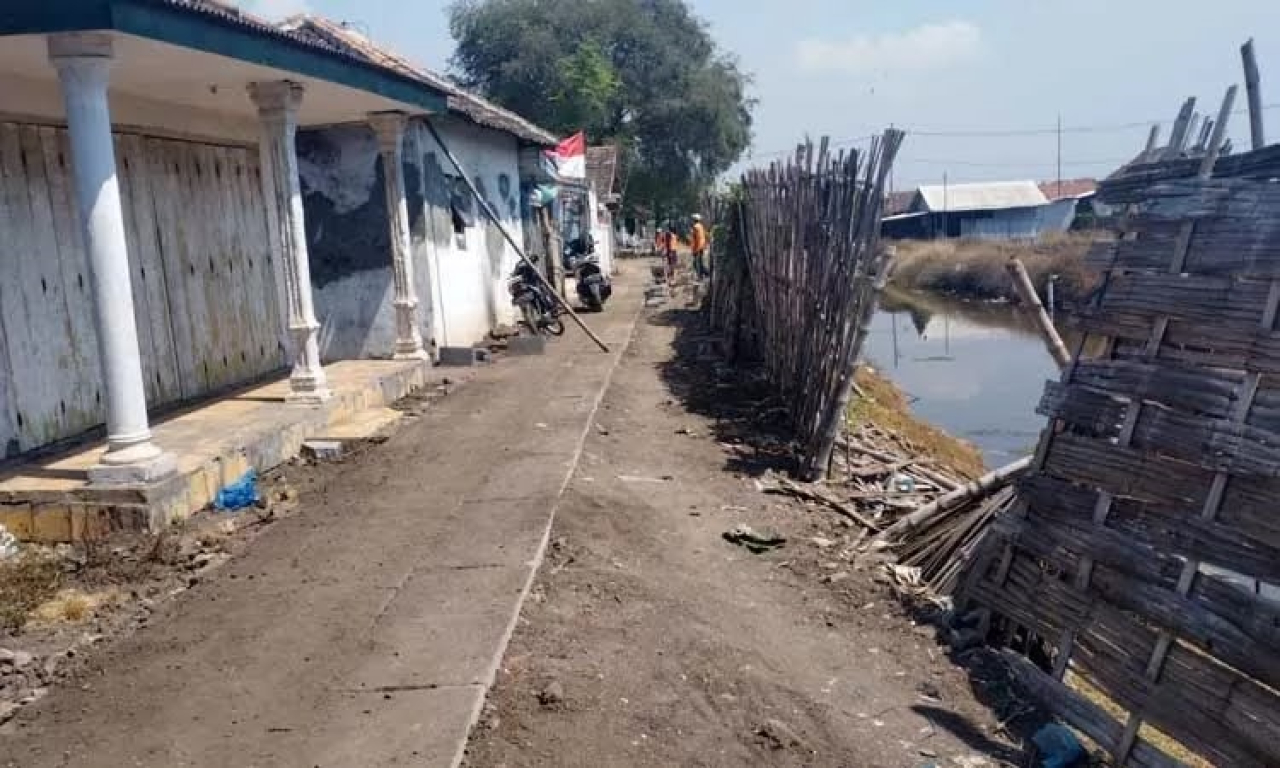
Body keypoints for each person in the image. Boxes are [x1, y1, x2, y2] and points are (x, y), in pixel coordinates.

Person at [690, 213, 709, 279]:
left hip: (698, 248)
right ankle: (703, 276)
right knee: (699, 263)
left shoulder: (696, 227)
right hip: (700, 247)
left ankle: (706, 274)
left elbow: (699, 238)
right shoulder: (700, 226)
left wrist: (696, 249)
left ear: (695, 220)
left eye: (692, 219)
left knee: (696, 264)